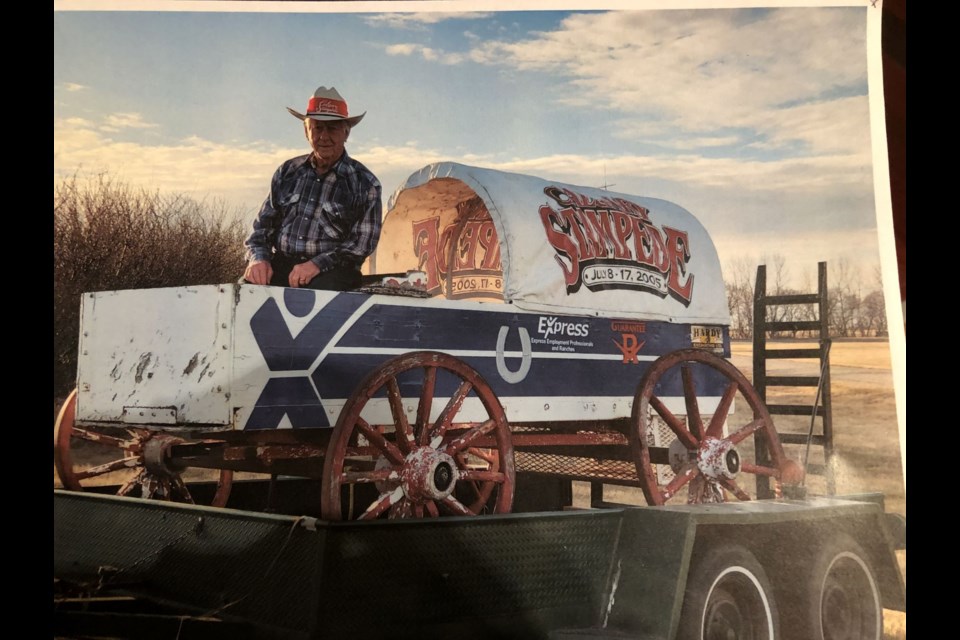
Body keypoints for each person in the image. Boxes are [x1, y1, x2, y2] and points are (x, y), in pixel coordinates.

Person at [243, 86, 382, 290]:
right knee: (244, 289)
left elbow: (361, 245)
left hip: (332, 271)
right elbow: (261, 228)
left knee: (320, 296)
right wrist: (259, 259)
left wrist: (316, 264)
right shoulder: (288, 171)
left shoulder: (365, 183)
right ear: (306, 131)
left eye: (333, 128)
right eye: (317, 128)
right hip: (282, 265)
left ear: (346, 132)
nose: (324, 137)